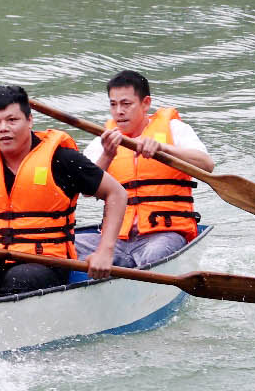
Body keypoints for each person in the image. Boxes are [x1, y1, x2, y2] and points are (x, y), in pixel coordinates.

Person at [0, 85, 129, 299]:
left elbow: (116, 193)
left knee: (19, 280)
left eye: (12, 120)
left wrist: (104, 252)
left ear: (30, 120)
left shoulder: (62, 160)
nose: (3, 128)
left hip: (47, 262)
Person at [75, 70, 214, 269]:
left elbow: (207, 165)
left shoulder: (174, 129)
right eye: (113, 104)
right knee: (66, 246)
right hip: (117, 240)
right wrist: (107, 155)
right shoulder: (104, 140)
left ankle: (129, 272)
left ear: (145, 103)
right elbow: (86, 191)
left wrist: (163, 148)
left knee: (154, 256)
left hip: (163, 235)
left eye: (126, 104)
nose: (119, 111)